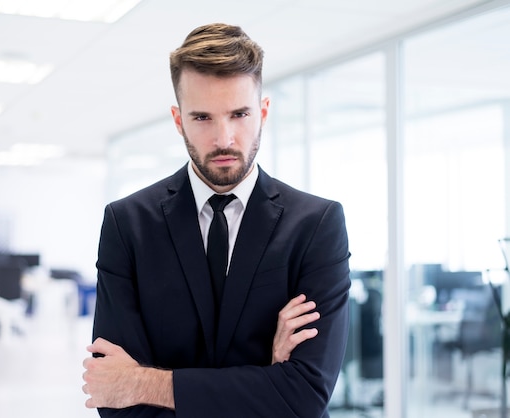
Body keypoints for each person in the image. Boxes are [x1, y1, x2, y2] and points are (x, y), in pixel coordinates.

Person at [81, 22, 351, 417]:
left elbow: (305, 393)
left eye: (239, 114)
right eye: (203, 118)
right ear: (178, 120)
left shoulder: (317, 225)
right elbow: (116, 401)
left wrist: (144, 381)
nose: (224, 138)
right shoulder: (127, 225)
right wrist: (267, 376)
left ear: (263, 112)